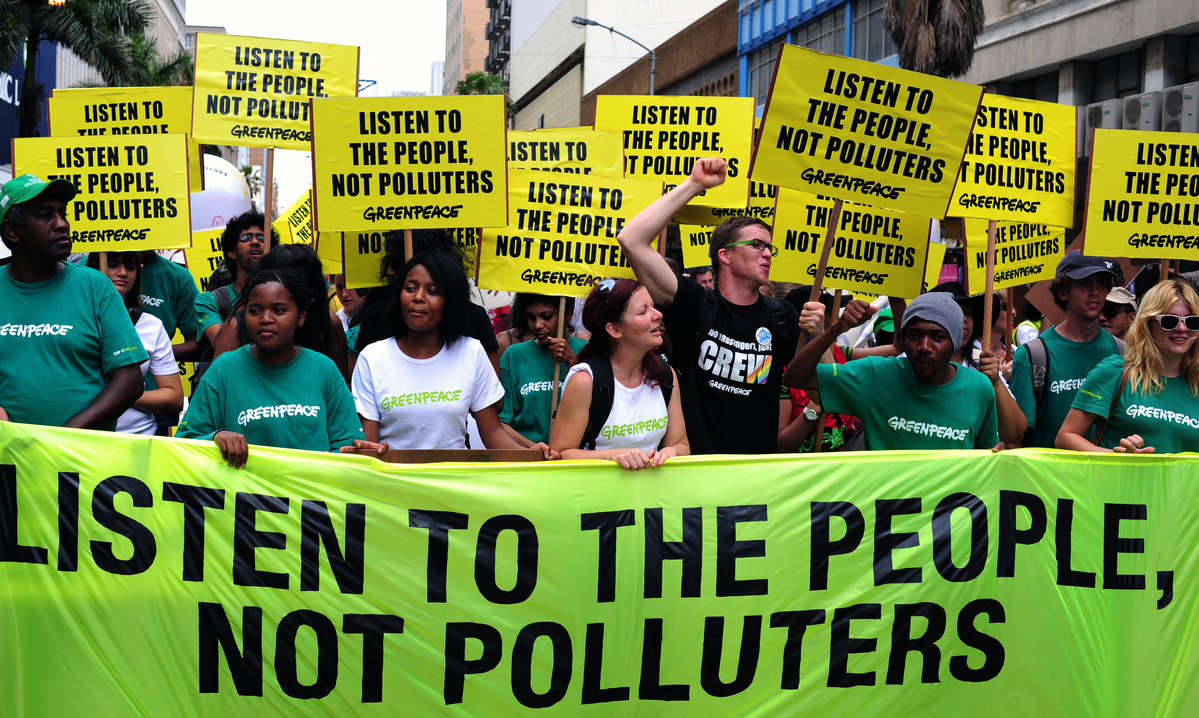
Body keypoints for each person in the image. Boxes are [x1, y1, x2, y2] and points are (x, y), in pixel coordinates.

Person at [617, 157, 800, 454]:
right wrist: (695, 185)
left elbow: (818, 382)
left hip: (756, 477)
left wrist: (820, 334)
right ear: (725, 255)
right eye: (756, 244)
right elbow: (632, 238)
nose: (767, 253)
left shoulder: (781, 315)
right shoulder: (694, 302)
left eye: (769, 247)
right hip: (694, 471)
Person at [352, 250, 551, 454]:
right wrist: (365, 447)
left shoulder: (471, 352)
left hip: (453, 481)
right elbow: (368, 442)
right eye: (410, 288)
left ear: (450, 302)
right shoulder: (373, 357)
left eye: (432, 291)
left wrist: (532, 455)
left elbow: (492, 431)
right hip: (394, 481)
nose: (418, 297)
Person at [177, 268, 374, 468]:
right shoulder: (224, 369)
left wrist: (351, 454)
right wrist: (216, 436)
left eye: (279, 310)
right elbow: (184, 443)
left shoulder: (324, 370)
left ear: (301, 317)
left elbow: (346, 446)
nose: (265, 319)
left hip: (311, 497)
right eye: (254, 311)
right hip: (248, 497)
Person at [0, 174, 146, 428]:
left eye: (62, 213)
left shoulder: (94, 285)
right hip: (10, 460)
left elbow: (130, 382)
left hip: (81, 460)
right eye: (46, 215)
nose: (62, 224)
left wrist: (66, 438)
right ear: (12, 231)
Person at [785, 292, 999, 450]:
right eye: (914, 336)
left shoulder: (979, 388)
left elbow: (985, 460)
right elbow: (795, 377)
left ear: (954, 342)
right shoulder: (876, 375)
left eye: (937, 337)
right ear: (903, 341)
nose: (924, 346)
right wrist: (836, 329)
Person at [550, 278, 688, 469]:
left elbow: (681, 444)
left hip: (653, 497)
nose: (658, 315)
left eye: (653, 306)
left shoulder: (665, 375)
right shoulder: (585, 381)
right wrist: (612, 456)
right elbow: (560, 455)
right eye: (643, 311)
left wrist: (670, 452)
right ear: (614, 329)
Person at [1057, 280, 1199, 454]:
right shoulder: (1114, 372)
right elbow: (1066, 437)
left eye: (1192, 322)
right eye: (1170, 321)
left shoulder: (1195, 381)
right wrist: (1115, 456)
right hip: (1120, 481)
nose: (1182, 328)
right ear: (1148, 322)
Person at [353, 229, 501, 379]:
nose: (390, 271)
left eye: (432, 291)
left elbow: (493, 397)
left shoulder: (473, 340)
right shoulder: (376, 322)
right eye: (410, 288)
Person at [1010, 251, 1122, 447]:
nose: (1095, 291)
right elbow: (1016, 439)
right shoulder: (1032, 356)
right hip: (1049, 475)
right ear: (1063, 292)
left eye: (1102, 283)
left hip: (1106, 474)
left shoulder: (1123, 352)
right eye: (1084, 283)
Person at [211, 243, 350, 380]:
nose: (267, 319)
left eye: (306, 300)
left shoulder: (329, 324)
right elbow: (215, 389)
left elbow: (342, 384)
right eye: (278, 308)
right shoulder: (236, 327)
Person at [85, 252, 184, 435]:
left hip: (139, 438)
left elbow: (174, 397)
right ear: (94, 266)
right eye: (113, 264)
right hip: (80, 439)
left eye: (130, 267)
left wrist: (121, 394)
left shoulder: (151, 326)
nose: (123, 272)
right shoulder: (73, 322)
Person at [499, 294, 586, 446]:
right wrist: (532, 448)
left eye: (547, 316)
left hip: (575, 459)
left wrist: (572, 362)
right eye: (531, 317)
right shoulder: (513, 356)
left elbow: (603, 411)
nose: (538, 325)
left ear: (568, 313)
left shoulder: (587, 351)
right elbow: (500, 423)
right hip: (530, 462)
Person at [194, 211, 278, 350]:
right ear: (231, 252)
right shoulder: (208, 301)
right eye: (246, 238)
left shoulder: (284, 297)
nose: (255, 241)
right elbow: (220, 345)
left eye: (262, 238)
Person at [138, 250, 200, 360]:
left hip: (157, 374)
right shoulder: (100, 271)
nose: (122, 273)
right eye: (113, 266)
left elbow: (200, 344)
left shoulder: (179, 277)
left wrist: (149, 352)